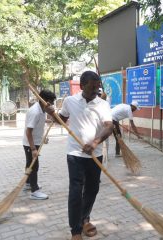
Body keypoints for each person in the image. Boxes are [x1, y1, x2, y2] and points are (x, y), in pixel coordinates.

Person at [46, 71, 113, 240]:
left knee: (92, 189)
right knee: (76, 191)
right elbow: (60, 120)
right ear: (82, 86)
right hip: (75, 154)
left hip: (95, 154)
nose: (96, 90)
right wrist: (51, 113)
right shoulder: (70, 101)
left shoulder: (102, 104)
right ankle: (75, 230)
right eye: (92, 87)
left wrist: (95, 142)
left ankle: (85, 219)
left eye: (97, 87)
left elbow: (109, 126)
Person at [23, 89, 56, 200]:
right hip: (30, 143)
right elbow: (28, 132)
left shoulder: (41, 109)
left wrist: (43, 137)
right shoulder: (35, 111)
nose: (51, 105)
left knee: (29, 164)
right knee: (34, 166)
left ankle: (28, 183)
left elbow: (40, 122)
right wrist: (33, 149)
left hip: (35, 141)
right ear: (44, 101)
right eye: (51, 102)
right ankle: (34, 190)